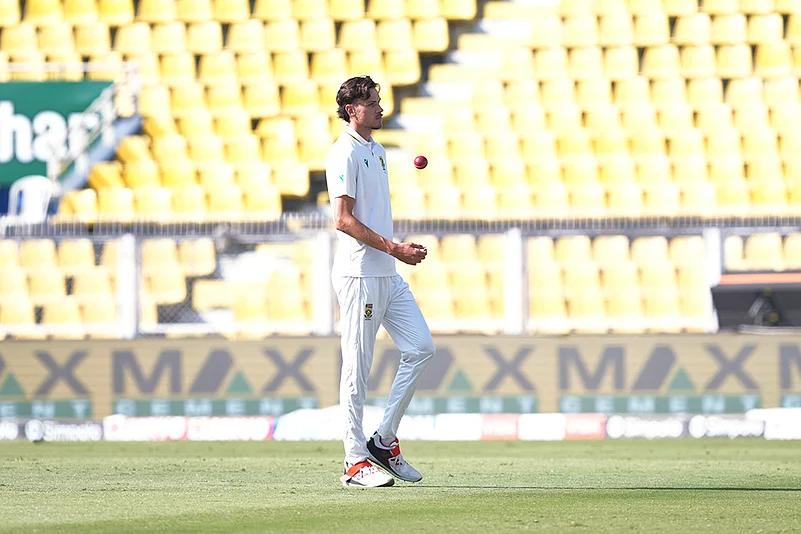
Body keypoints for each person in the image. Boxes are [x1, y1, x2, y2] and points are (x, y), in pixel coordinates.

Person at [325, 76, 436, 488]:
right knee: (357, 369)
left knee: (422, 347)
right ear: (352, 109)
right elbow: (343, 220)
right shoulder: (343, 154)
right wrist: (395, 249)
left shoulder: (378, 151)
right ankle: (354, 462)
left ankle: (384, 440)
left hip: (386, 275)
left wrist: (393, 256)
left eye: (379, 101)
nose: (380, 108)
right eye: (371, 103)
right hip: (359, 275)